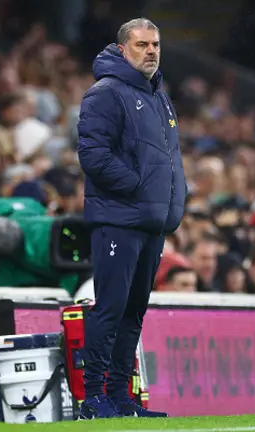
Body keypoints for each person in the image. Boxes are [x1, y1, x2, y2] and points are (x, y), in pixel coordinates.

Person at [77, 17, 186, 419]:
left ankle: (121, 397)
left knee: (133, 311)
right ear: (122, 49)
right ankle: (92, 398)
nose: (151, 51)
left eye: (155, 44)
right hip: (119, 219)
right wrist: (140, 187)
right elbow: (92, 155)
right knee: (111, 307)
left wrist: (174, 198)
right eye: (142, 45)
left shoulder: (159, 96)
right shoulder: (105, 93)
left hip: (150, 222)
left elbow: (170, 161)